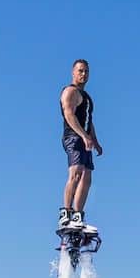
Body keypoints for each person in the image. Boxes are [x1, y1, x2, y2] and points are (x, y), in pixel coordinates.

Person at [59, 59, 103, 230]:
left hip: (84, 138)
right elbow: (69, 115)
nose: (83, 74)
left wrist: (95, 141)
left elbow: (88, 121)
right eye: (80, 71)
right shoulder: (69, 91)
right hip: (73, 137)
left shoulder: (87, 98)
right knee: (76, 173)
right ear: (73, 72)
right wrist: (83, 136)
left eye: (86, 71)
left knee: (87, 177)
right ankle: (66, 213)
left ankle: (77, 215)